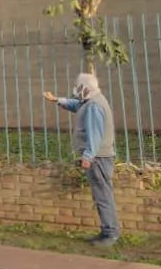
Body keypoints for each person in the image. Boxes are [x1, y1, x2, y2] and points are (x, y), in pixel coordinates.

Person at [43, 73, 120, 247]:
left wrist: (88, 156)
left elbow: (95, 134)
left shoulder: (94, 106)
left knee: (103, 196)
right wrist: (57, 100)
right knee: (102, 194)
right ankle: (108, 231)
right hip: (99, 157)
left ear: (86, 88)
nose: (77, 91)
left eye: (79, 87)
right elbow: (76, 105)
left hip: (98, 158)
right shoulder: (92, 101)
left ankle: (110, 234)